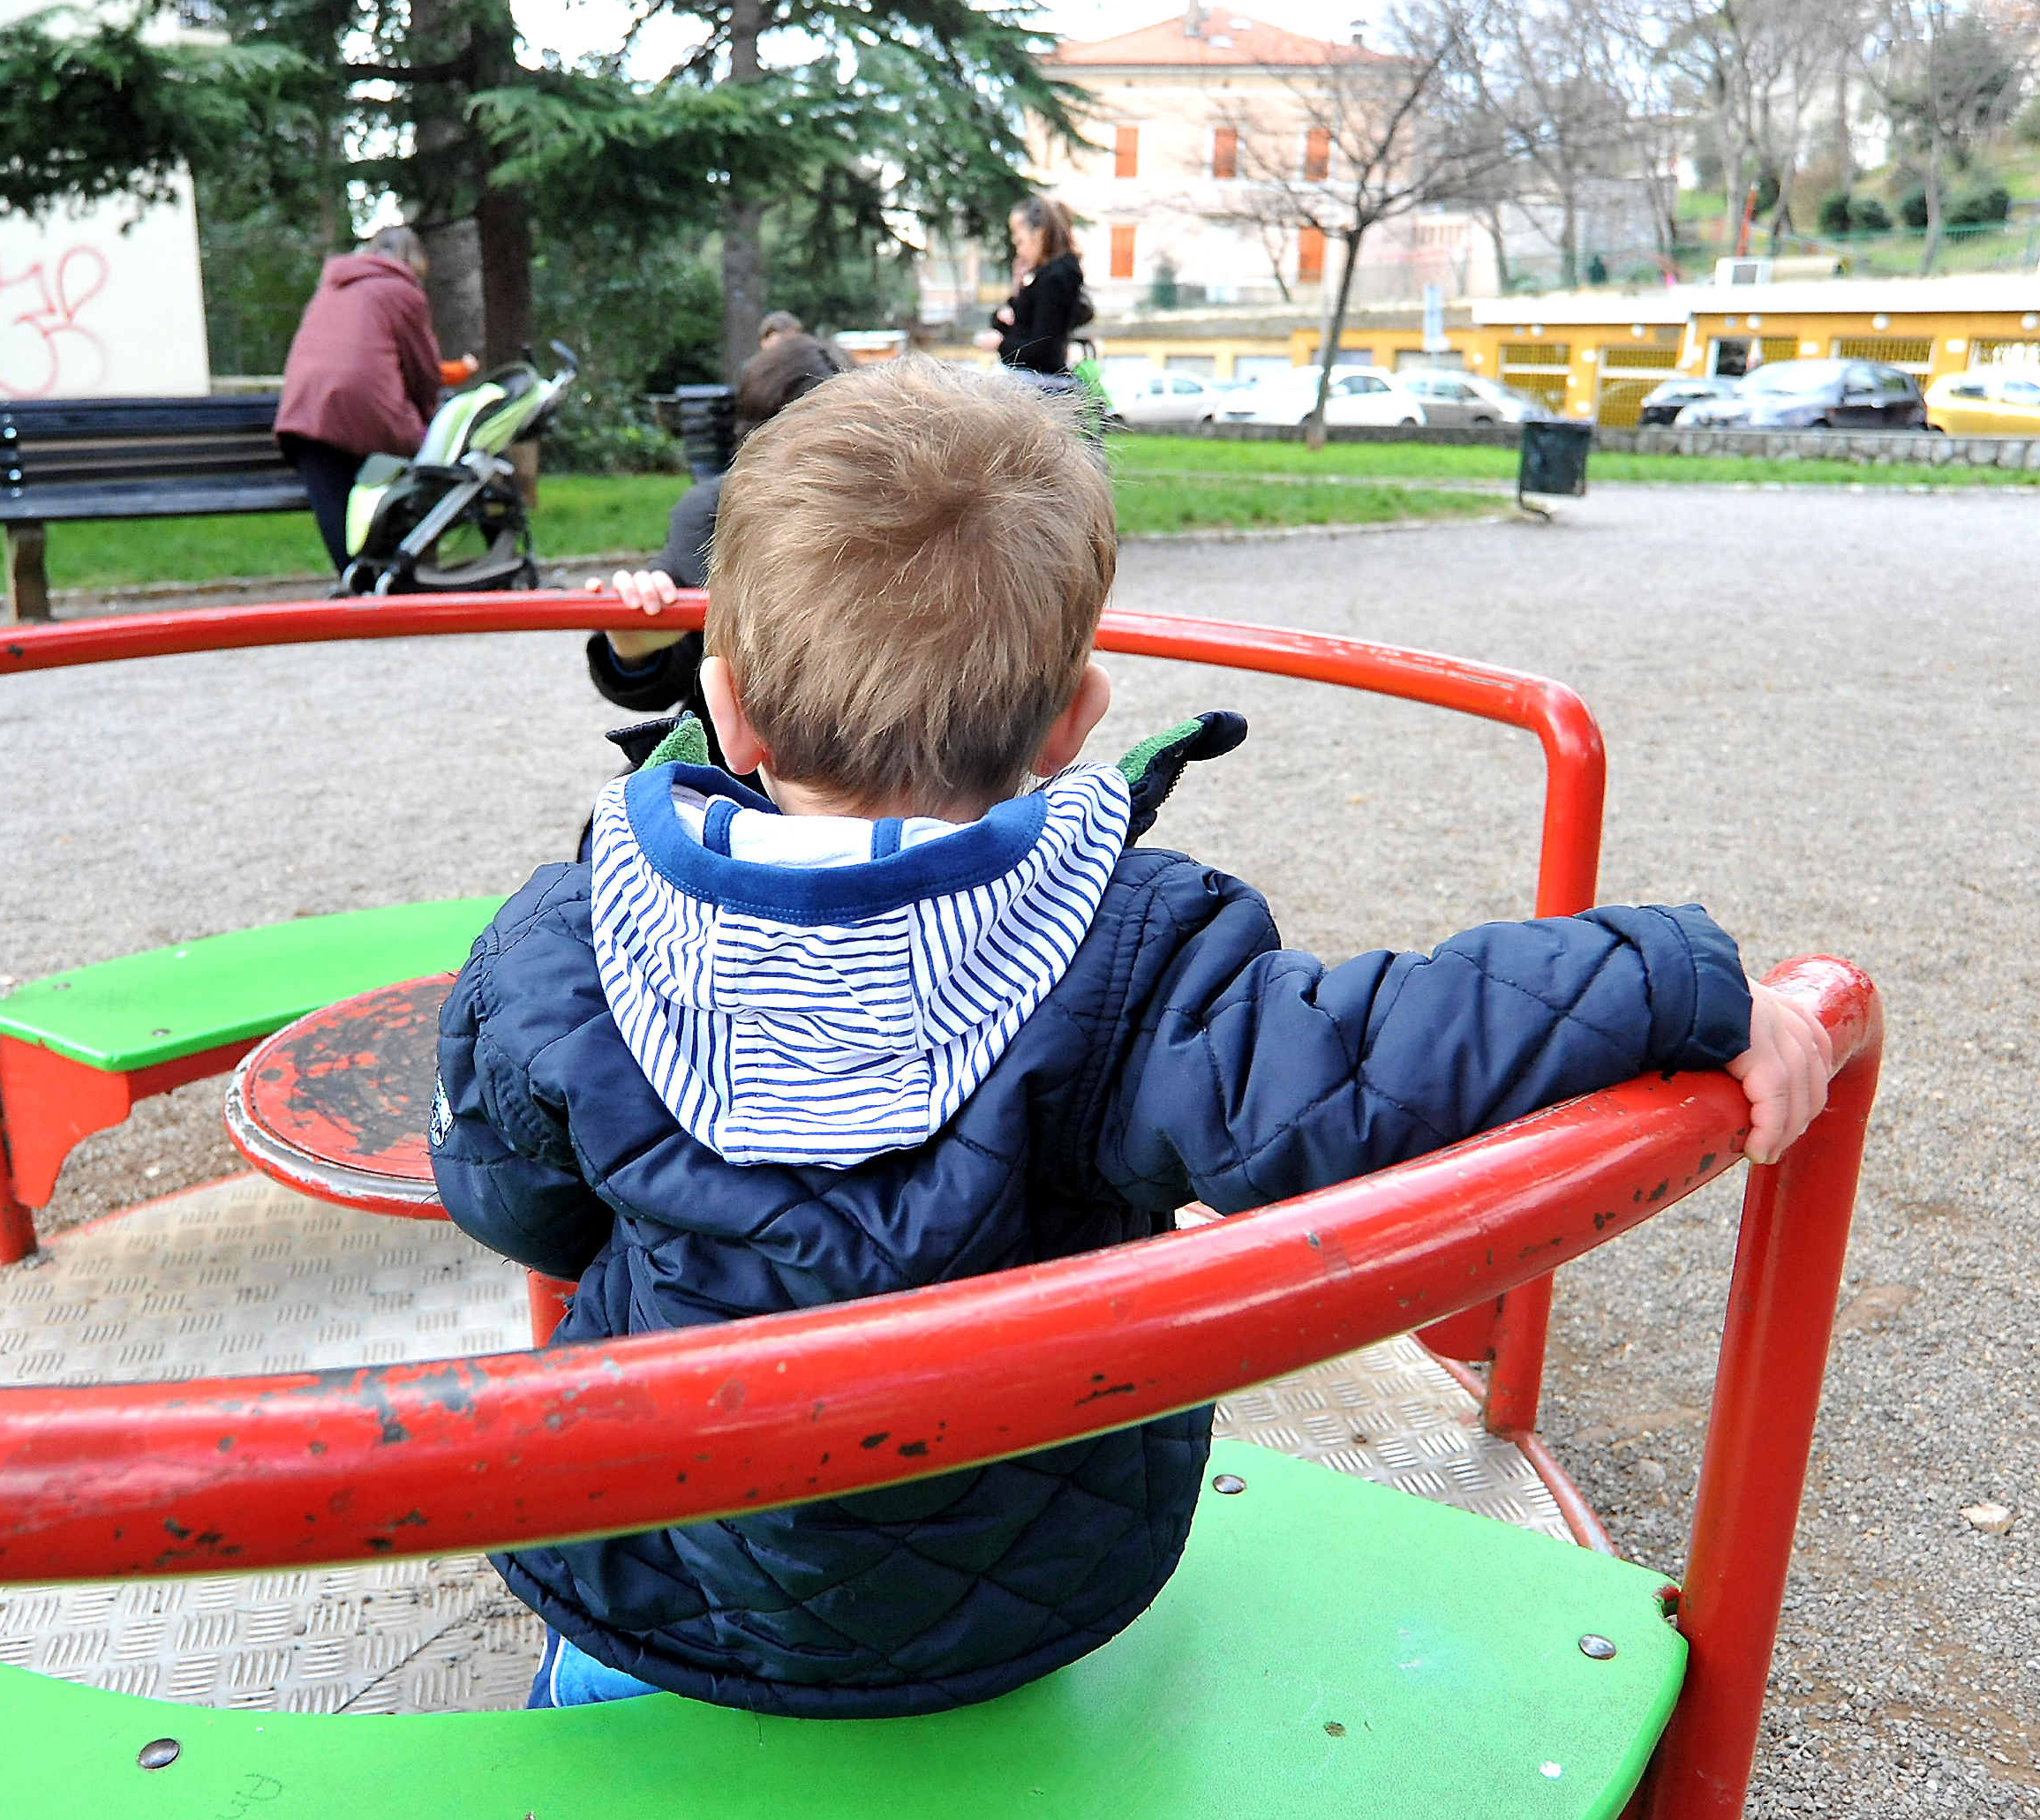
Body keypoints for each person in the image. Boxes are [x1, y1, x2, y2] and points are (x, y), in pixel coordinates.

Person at [429, 357, 1834, 1718]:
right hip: (1024, 1587)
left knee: (591, 1680)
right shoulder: (1131, 951)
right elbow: (1377, 1053)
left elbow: (513, 1201)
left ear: (720, 702)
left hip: (659, 1569)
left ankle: (583, 1713)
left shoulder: (568, 941)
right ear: (1075, 720)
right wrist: (1680, 978)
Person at [578, 332, 842, 759]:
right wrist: (633, 650)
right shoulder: (711, 516)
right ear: (753, 442)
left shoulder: (893, 520)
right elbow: (675, 672)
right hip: (741, 763)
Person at [273, 226, 463, 571]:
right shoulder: (403, 291)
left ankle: (354, 582)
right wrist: (427, 419)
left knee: (334, 501)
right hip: (367, 408)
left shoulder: (330, 286)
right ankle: (399, 577)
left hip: (304, 410)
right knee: (414, 477)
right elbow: (422, 369)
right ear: (414, 260)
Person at [984, 196, 1089, 380]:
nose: (1018, 251)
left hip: (1040, 381)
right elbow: (1013, 322)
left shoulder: (1055, 279)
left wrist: (1000, 344)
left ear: (1038, 235)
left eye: (1020, 241)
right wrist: (1017, 286)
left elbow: (1042, 347)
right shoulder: (1042, 276)